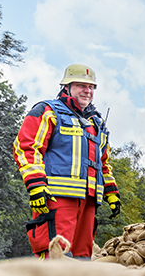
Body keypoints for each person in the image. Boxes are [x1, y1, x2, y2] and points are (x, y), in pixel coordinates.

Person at [13, 63, 120, 259]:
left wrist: (111, 191)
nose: (87, 91)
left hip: (88, 203)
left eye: (91, 87)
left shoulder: (97, 123)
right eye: (81, 85)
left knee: (82, 258)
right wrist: (35, 184)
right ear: (67, 87)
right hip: (56, 200)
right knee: (56, 256)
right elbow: (26, 146)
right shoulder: (47, 111)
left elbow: (103, 162)